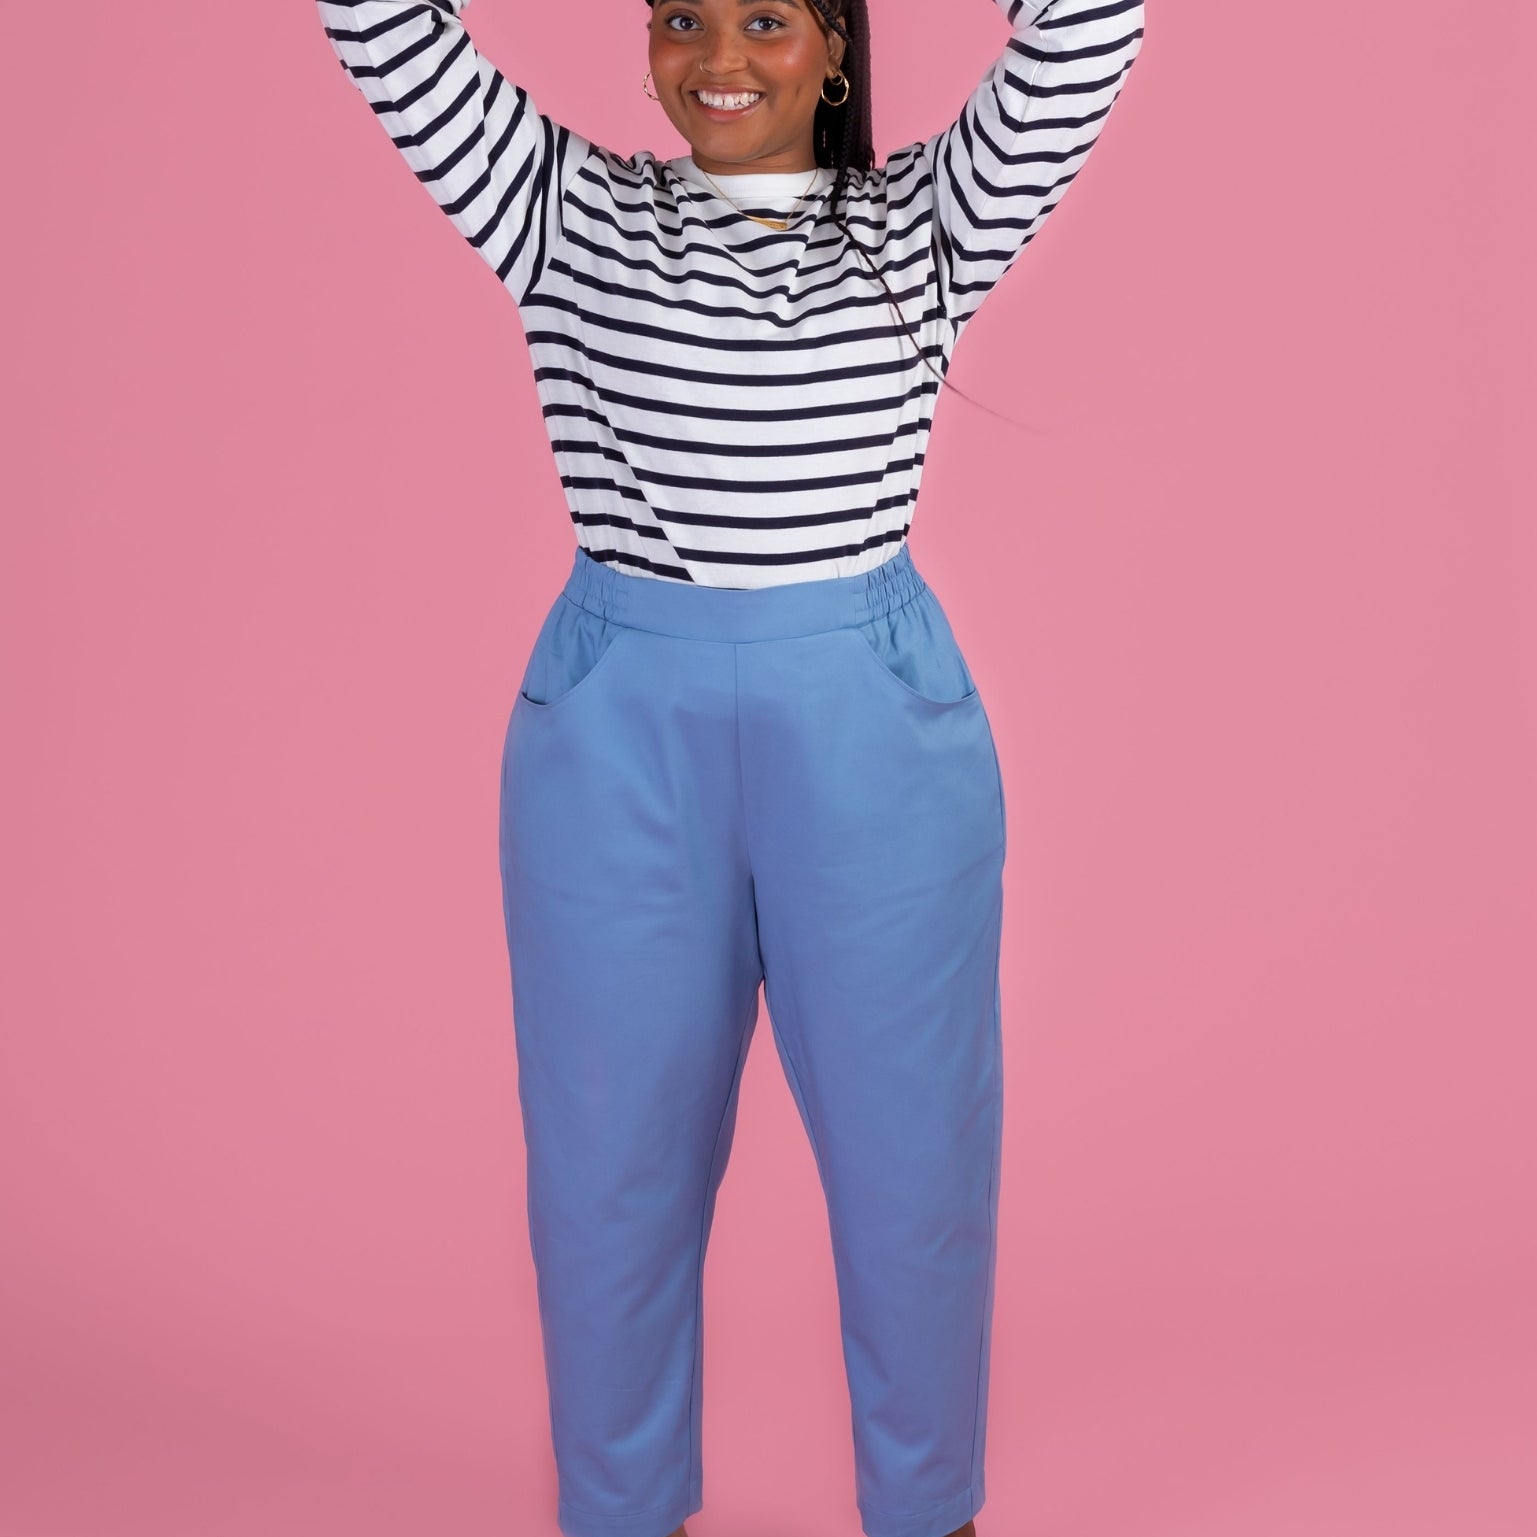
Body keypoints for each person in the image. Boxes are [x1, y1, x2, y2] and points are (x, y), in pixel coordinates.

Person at [312, 1, 1145, 1534]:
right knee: (605, 1168)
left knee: (913, 1164)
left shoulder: (924, 222)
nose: (718, 59)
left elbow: (1087, 32)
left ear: (833, 47)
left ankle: (929, 1510)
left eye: (765, 19)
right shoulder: (559, 207)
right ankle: (622, 1509)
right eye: (681, 17)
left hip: (870, 734)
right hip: (620, 737)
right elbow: (374, 21)